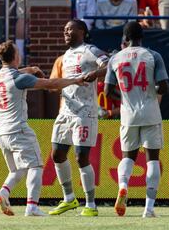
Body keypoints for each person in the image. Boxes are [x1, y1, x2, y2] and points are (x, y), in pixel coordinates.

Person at [0, 40, 86, 217]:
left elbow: (16, 73)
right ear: (16, 56)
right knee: (36, 166)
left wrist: (31, 68)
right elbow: (50, 84)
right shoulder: (20, 79)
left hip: (1, 132)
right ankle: (32, 206)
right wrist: (75, 80)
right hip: (18, 129)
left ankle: (3, 192)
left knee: (17, 169)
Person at [104, 21, 169, 218]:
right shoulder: (153, 55)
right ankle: (148, 208)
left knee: (127, 157)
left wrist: (124, 96)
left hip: (128, 114)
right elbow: (164, 86)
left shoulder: (115, 58)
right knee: (152, 160)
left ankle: (123, 186)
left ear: (125, 38)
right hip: (150, 112)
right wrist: (152, 90)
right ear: (142, 37)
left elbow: (107, 91)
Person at [48, 19, 109, 217]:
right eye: (64, 29)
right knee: (57, 154)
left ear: (81, 31)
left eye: (69, 29)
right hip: (65, 111)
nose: (65, 31)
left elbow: (110, 65)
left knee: (81, 156)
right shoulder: (65, 56)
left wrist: (96, 73)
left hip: (85, 112)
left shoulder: (89, 50)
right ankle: (69, 199)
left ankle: (91, 203)